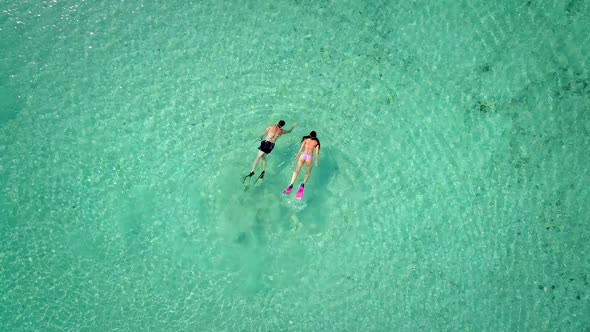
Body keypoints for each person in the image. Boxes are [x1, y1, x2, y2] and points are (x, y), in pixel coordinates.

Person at [283, 131, 320, 198]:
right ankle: (303, 183)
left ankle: (291, 184)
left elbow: (301, 148)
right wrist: (316, 161)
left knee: (297, 170)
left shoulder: (305, 140)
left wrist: (297, 156)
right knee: (308, 172)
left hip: (303, 155)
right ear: (315, 136)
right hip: (309, 157)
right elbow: (317, 153)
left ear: (310, 135)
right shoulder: (316, 143)